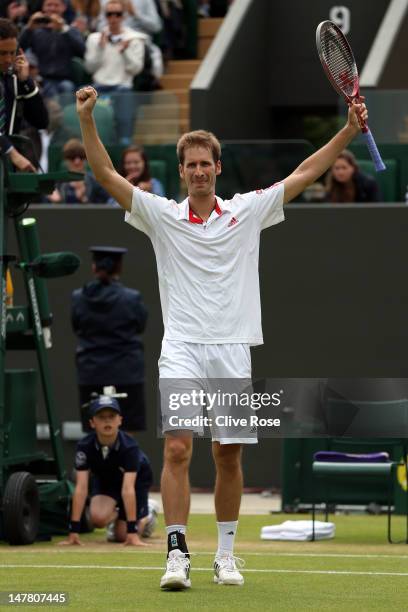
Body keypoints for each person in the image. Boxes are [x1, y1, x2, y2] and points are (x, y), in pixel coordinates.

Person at [75, 84, 368, 589]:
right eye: (189, 164)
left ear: (217, 166)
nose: (198, 171)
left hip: (232, 350)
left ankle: (226, 555)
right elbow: (104, 173)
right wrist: (86, 119)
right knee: (177, 451)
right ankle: (176, 553)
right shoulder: (162, 215)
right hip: (182, 348)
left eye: (205, 163)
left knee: (228, 453)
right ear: (183, 170)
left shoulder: (247, 211)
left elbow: (303, 173)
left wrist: (346, 130)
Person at [61, 395, 156, 546]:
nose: (107, 421)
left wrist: (132, 533)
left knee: (121, 535)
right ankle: (121, 516)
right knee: (97, 519)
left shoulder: (130, 447)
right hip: (107, 481)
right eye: (101, 417)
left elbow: (128, 488)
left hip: (136, 482)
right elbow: (81, 488)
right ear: (92, 423)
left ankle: (147, 514)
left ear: (120, 420)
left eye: (112, 416)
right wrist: (74, 531)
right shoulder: (84, 447)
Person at [71, 245, 148, 432]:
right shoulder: (132, 298)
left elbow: (76, 326)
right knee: (126, 433)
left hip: (91, 373)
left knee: (93, 433)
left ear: (94, 267)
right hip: (127, 374)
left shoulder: (78, 298)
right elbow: (140, 326)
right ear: (119, 268)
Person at [84, 0, 145, 145]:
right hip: (98, 88)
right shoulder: (94, 39)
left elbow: (136, 69)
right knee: (98, 134)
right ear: (105, 16)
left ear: (123, 16)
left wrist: (125, 52)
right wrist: (100, 48)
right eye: (109, 14)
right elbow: (89, 67)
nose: (113, 18)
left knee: (124, 134)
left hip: (123, 89)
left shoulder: (134, 39)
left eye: (117, 14)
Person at [0, 18, 47, 171]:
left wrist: (26, 82)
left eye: (11, 53)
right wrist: (12, 153)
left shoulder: (15, 79)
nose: (8, 59)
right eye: (2, 53)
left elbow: (41, 122)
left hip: (8, 167)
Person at [19, 0, 85, 99]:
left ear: (63, 7)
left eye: (56, 5)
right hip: (41, 79)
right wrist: (29, 28)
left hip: (64, 79)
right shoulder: (36, 31)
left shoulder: (70, 30)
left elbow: (82, 52)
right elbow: (19, 50)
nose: (52, 8)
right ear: (43, 8)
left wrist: (63, 30)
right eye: (49, 5)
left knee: (67, 87)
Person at [47, 137, 110, 202]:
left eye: (81, 156)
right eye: (72, 157)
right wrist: (56, 201)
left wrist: (85, 200)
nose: (77, 161)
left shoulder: (95, 181)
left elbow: (108, 203)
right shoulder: (58, 183)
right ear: (66, 160)